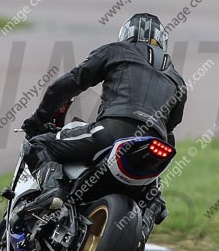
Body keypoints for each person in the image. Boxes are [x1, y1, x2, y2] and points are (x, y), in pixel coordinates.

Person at [21, 13, 186, 235]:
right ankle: (140, 237)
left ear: (126, 35)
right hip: (155, 147)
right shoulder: (178, 81)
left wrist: (39, 119)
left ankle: (54, 193)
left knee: (37, 145)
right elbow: (170, 131)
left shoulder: (115, 50)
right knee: (154, 199)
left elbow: (69, 84)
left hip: (113, 133)